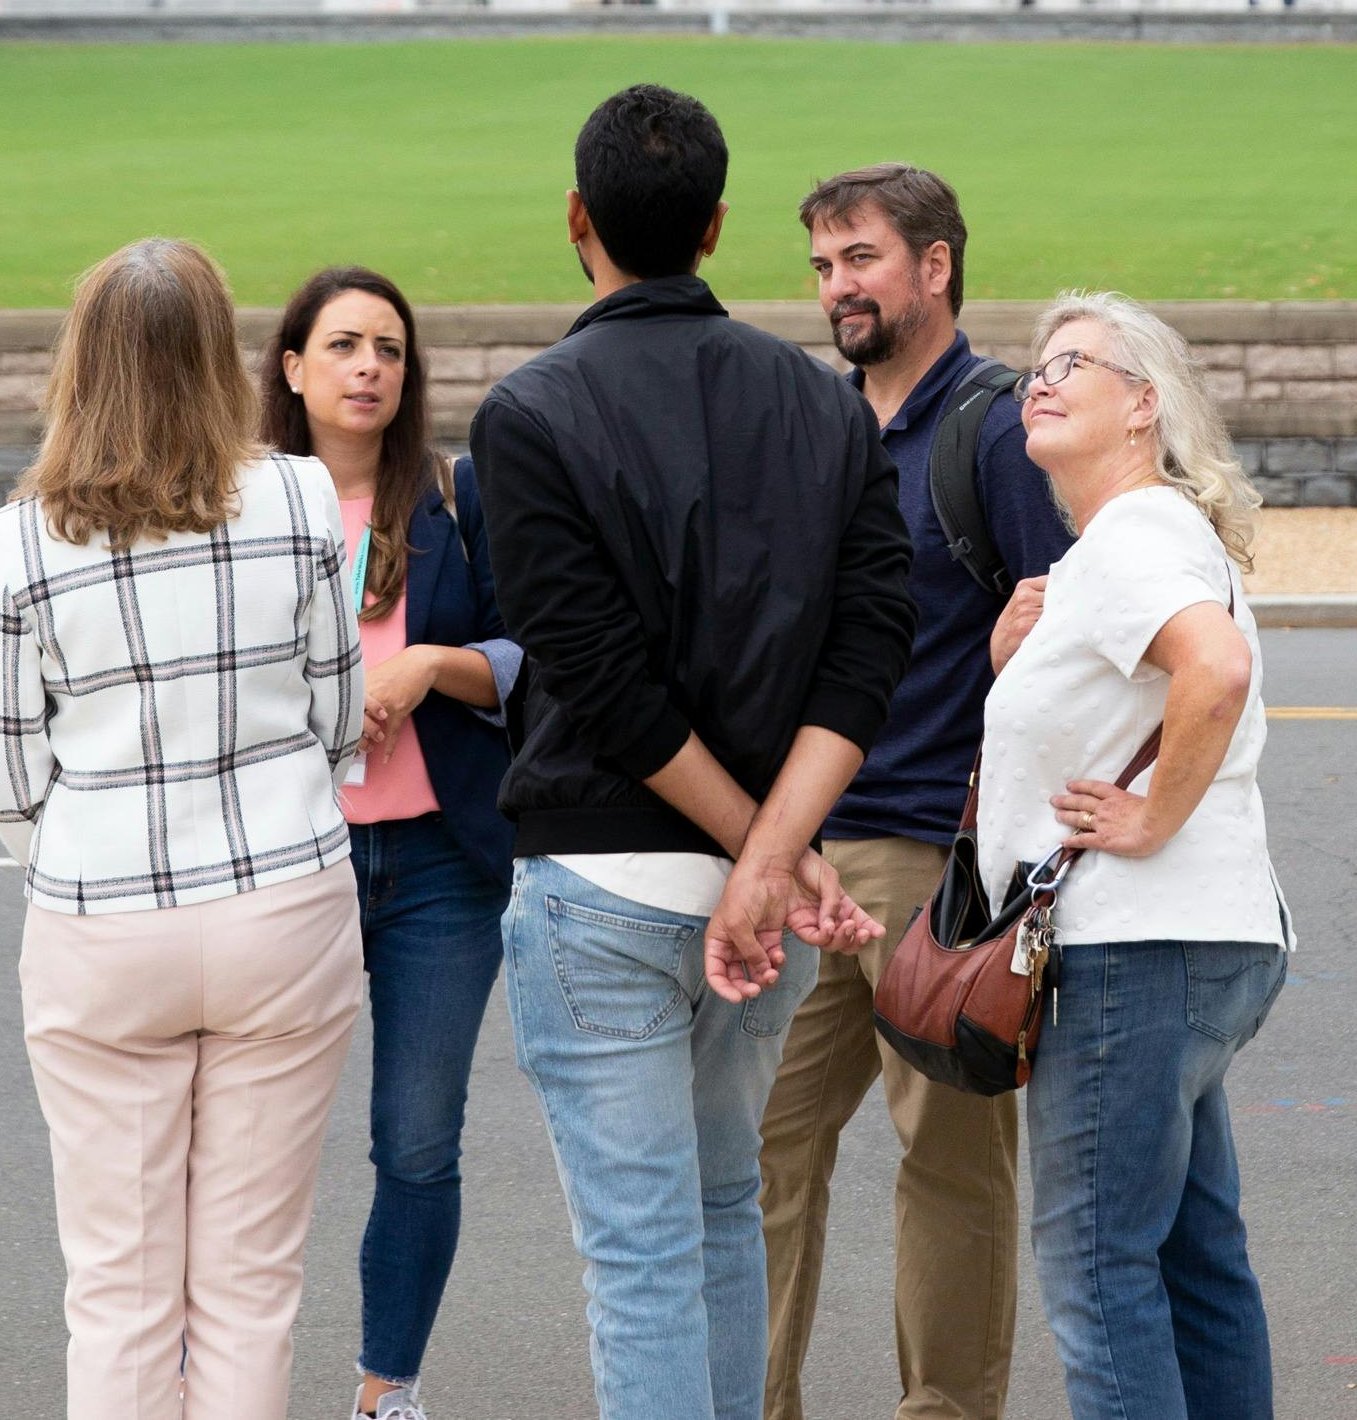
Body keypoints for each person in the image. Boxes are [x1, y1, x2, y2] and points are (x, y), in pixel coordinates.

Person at [468, 85, 918, 1420]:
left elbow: (601, 684)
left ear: (576, 219)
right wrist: (776, 858)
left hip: (605, 882)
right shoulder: (825, 407)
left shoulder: (528, 413)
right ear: (718, 225)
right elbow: (872, 642)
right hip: (757, 885)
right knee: (723, 1215)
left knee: (646, 1251)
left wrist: (761, 856)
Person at [0, 238, 366, 1420]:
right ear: (218, 357)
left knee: (120, 1289)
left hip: (102, 917)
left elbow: (4, 776)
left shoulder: (20, 537)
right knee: (250, 1284)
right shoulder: (298, 495)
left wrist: (86, 859)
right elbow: (337, 718)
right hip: (281, 901)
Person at [759, 165, 1072, 1420]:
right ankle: (746, 1399)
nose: (836, 286)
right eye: (824, 265)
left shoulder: (996, 427)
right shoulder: (822, 426)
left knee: (945, 1165)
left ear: (934, 266)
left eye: (861, 260)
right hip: (805, 851)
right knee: (759, 1151)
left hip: (935, 861)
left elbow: (1072, 632)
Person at [979, 290, 1293, 1420]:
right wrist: (1009, 655)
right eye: (1034, 366)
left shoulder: (1132, 535)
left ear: (1142, 406)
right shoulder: (1137, 541)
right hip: (1199, 940)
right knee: (1191, 1260)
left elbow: (1213, 669)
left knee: (1097, 1267)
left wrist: (1150, 818)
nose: (1040, 380)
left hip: (1132, 951)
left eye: (1074, 363)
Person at [261, 267, 522, 1420]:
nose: (370, 366)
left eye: (391, 349)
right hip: (287, 859)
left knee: (416, 1140)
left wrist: (429, 668)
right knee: (251, 1144)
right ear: (292, 367)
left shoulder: (453, 504)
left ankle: (385, 1388)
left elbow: (527, 659)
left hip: (435, 867)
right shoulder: (241, 505)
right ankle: (221, 1382)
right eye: (345, 344)